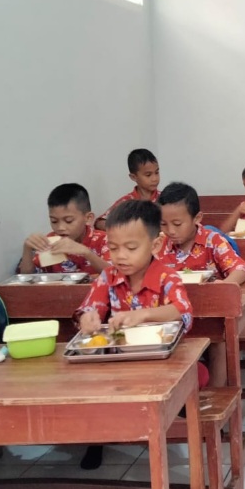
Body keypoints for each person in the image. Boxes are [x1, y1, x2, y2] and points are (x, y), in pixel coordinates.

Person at [75, 200, 196, 470]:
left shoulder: (167, 277)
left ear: (155, 245)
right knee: (91, 384)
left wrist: (143, 315)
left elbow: (183, 311)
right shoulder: (108, 277)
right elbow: (88, 307)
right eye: (113, 248)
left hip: (161, 361)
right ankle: (96, 438)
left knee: (183, 380)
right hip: (119, 360)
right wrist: (87, 318)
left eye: (131, 248)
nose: (120, 256)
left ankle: (168, 420)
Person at [157, 182, 245, 284]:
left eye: (177, 224)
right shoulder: (159, 245)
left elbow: (240, 269)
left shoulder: (213, 241)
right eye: (163, 224)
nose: (171, 231)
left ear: (197, 218)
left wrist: (225, 285)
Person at [18, 183, 109, 275]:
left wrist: (87, 253)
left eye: (68, 221)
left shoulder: (104, 240)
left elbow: (114, 274)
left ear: (88, 218)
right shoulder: (49, 241)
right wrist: (27, 249)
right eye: (54, 221)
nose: (60, 228)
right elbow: (28, 277)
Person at [95, 148, 161, 230]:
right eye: (148, 175)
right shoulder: (126, 202)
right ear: (133, 177)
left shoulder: (165, 199)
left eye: (157, 173)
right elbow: (100, 223)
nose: (155, 178)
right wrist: (125, 229)